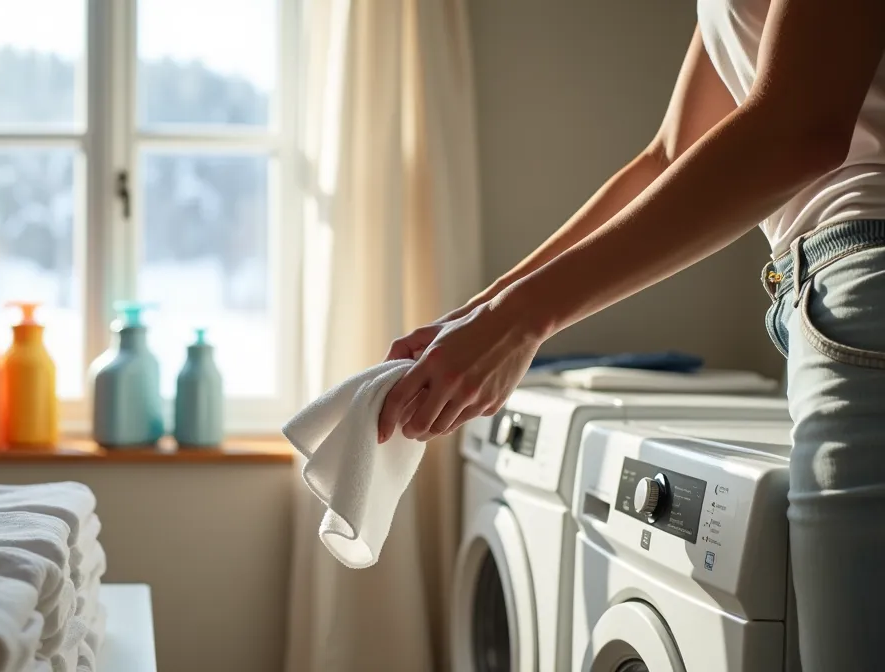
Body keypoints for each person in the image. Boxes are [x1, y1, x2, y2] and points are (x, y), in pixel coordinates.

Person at [377, 0, 885, 667]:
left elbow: (800, 128)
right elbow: (670, 156)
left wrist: (519, 321)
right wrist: (484, 313)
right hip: (829, 300)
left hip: (861, 287)